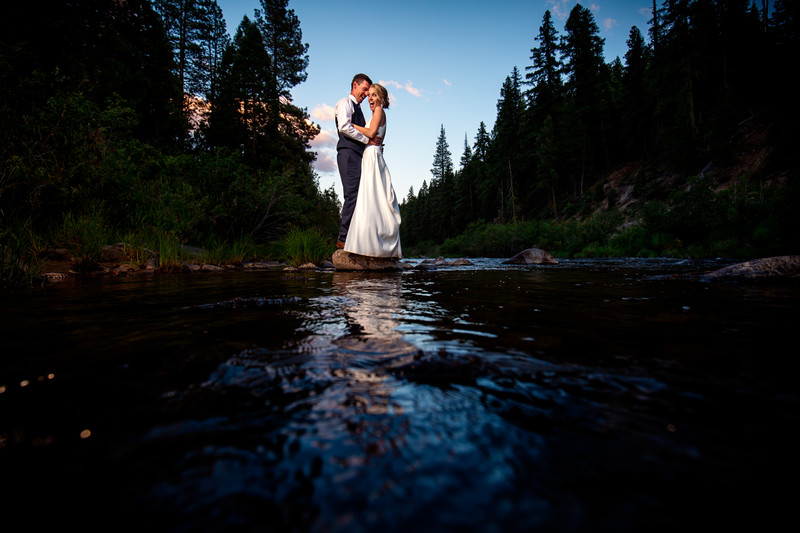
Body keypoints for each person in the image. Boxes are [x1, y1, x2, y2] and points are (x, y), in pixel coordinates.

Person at [343, 83, 402, 259]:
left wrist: (350, 125)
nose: (371, 98)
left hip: (373, 156)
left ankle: (370, 245)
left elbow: (371, 132)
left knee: (372, 198)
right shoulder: (378, 113)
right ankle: (370, 245)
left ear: (382, 98)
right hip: (371, 155)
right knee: (372, 198)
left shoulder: (378, 111)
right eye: (369, 95)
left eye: (375, 95)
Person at [335, 73, 382, 249]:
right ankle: (343, 239)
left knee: (360, 196)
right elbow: (344, 127)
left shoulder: (359, 109)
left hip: (358, 155)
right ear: (355, 85)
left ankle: (355, 238)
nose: (365, 94)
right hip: (348, 153)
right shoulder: (344, 103)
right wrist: (367, 141)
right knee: (352, 194)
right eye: (364, 90)